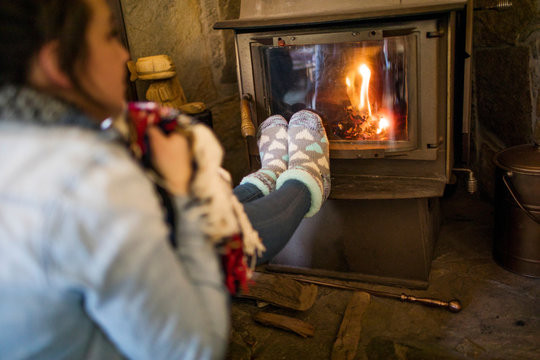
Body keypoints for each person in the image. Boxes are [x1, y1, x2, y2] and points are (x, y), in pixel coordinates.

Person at [0, 1, 330, 359]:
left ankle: (267, 177)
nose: (124, 56)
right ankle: (305, 177)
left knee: (183, 219)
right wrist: (180, 192)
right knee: (203, 230)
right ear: (60, 62)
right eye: (110, 37)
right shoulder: (88, 186)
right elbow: (193, 349)